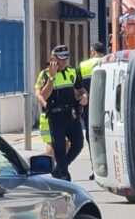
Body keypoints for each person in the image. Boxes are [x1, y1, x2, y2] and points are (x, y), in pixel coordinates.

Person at [35, 45, 88, 181]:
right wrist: (52, 78)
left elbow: (80, 90)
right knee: (58, 148)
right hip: (55, 117)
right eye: (61, 59)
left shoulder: (72, 72)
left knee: (78, 144)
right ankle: (63, 174)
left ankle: (59, 169)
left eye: (66, 59)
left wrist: (84, 96)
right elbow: (43, 95)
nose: (64, 62)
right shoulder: (45, 74)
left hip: (71, 115)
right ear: (53, 59)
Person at [80, 42, 105, 180]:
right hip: (108, 107)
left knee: (92, 138)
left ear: (93, 51)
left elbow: (78, 88)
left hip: (90, 108)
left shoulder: (84, 65)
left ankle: (96, 169)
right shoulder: (110, 62)